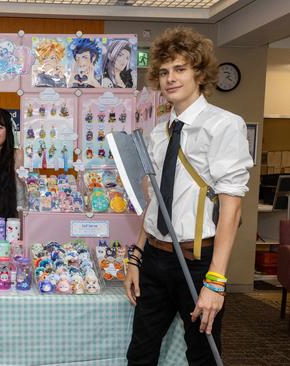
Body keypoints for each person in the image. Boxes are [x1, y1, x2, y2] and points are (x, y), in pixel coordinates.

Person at [123, 27, 253, 365]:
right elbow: (155, 203)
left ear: (199, 72)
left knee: (202, 357)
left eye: (179, 69)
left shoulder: (224, 125)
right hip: (154, 258)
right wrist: (137, 256)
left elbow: (232, 211)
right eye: (164, 72)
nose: (170, 79)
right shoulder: (158, 132)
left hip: (198, 264)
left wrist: (216, 281)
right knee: (139, 353)